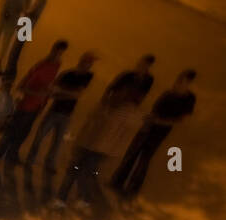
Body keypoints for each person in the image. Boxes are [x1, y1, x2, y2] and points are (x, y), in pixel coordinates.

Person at [111, 69, 197, 198]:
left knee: (144, 160)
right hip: (148, 128)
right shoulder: (168, 94)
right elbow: (154, 110)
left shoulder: (188, 99)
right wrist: (148, 121)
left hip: (159, 133)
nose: (177, 83)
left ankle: (131, 190)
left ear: (188, 83)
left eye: (181, 81)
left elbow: (181, 120)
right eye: (178, 80)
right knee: (131, 154)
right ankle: (117, 182)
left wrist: (160, 121)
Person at [0, 39, 68, 168]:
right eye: (57, 52)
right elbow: (21, 87)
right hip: (25, 106)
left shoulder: (56, 65)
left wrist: (46, 97)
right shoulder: (41, 66)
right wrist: (38, 94)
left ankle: (11, 156)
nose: (57, 56)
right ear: (52, 50)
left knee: (23, 133)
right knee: (12, 132)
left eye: (60, 54)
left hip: (36, 106)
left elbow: (48, 86)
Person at [25, 51, 97, 170]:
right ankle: (33, 160)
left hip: (66, 113)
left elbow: (77, 94)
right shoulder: (68, 74)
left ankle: (47, 163)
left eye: (90, 63)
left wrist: (61, 91)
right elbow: (54, 91)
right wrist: (69, 93)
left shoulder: (86, 76)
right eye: (89, 62)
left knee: (56, 142)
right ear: (83, 61)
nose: (90, 65)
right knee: (42, 137)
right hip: (56, 111)